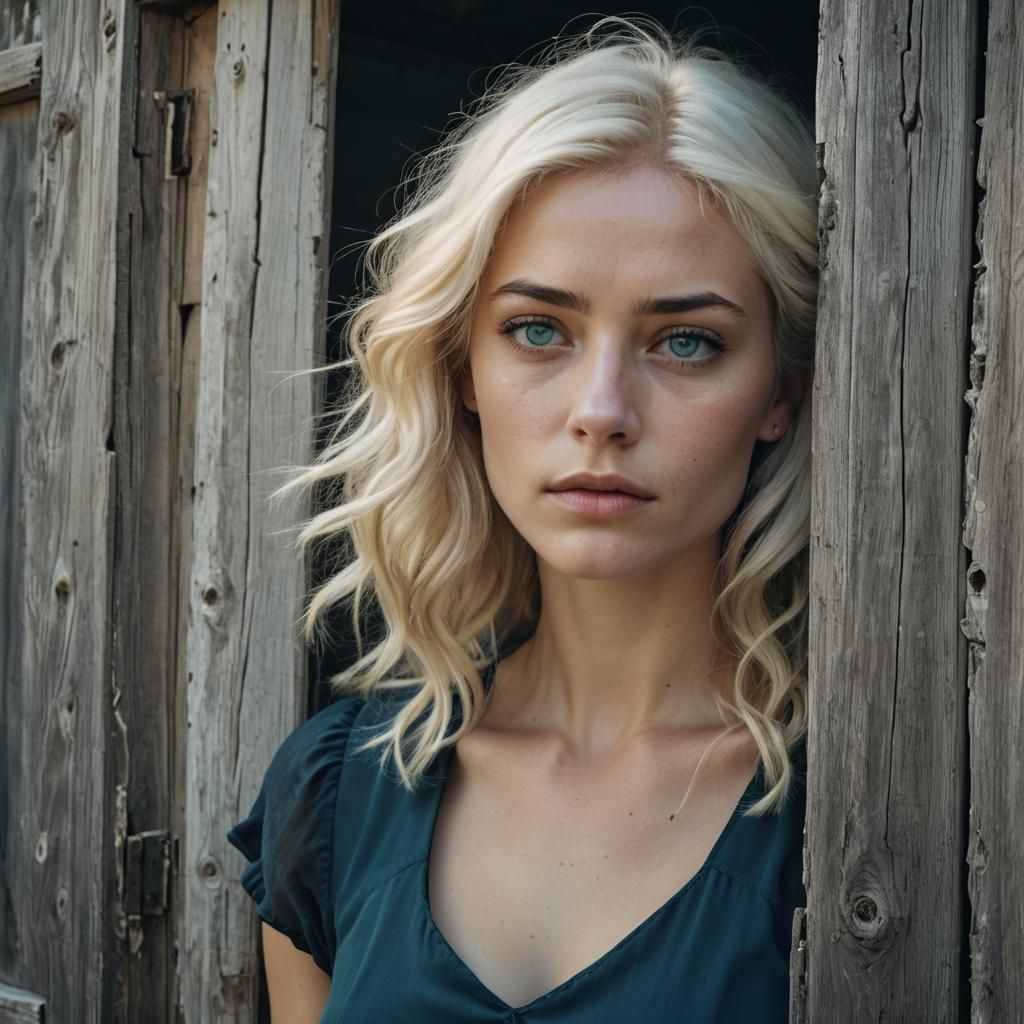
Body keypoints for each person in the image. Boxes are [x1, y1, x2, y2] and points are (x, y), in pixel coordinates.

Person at [228, 17, 816, 1023]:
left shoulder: (866, 816)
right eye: (537, 329)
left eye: (686, 341)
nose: (601, 410)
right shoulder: (336, 795)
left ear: (780, 391)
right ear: (462, 367)